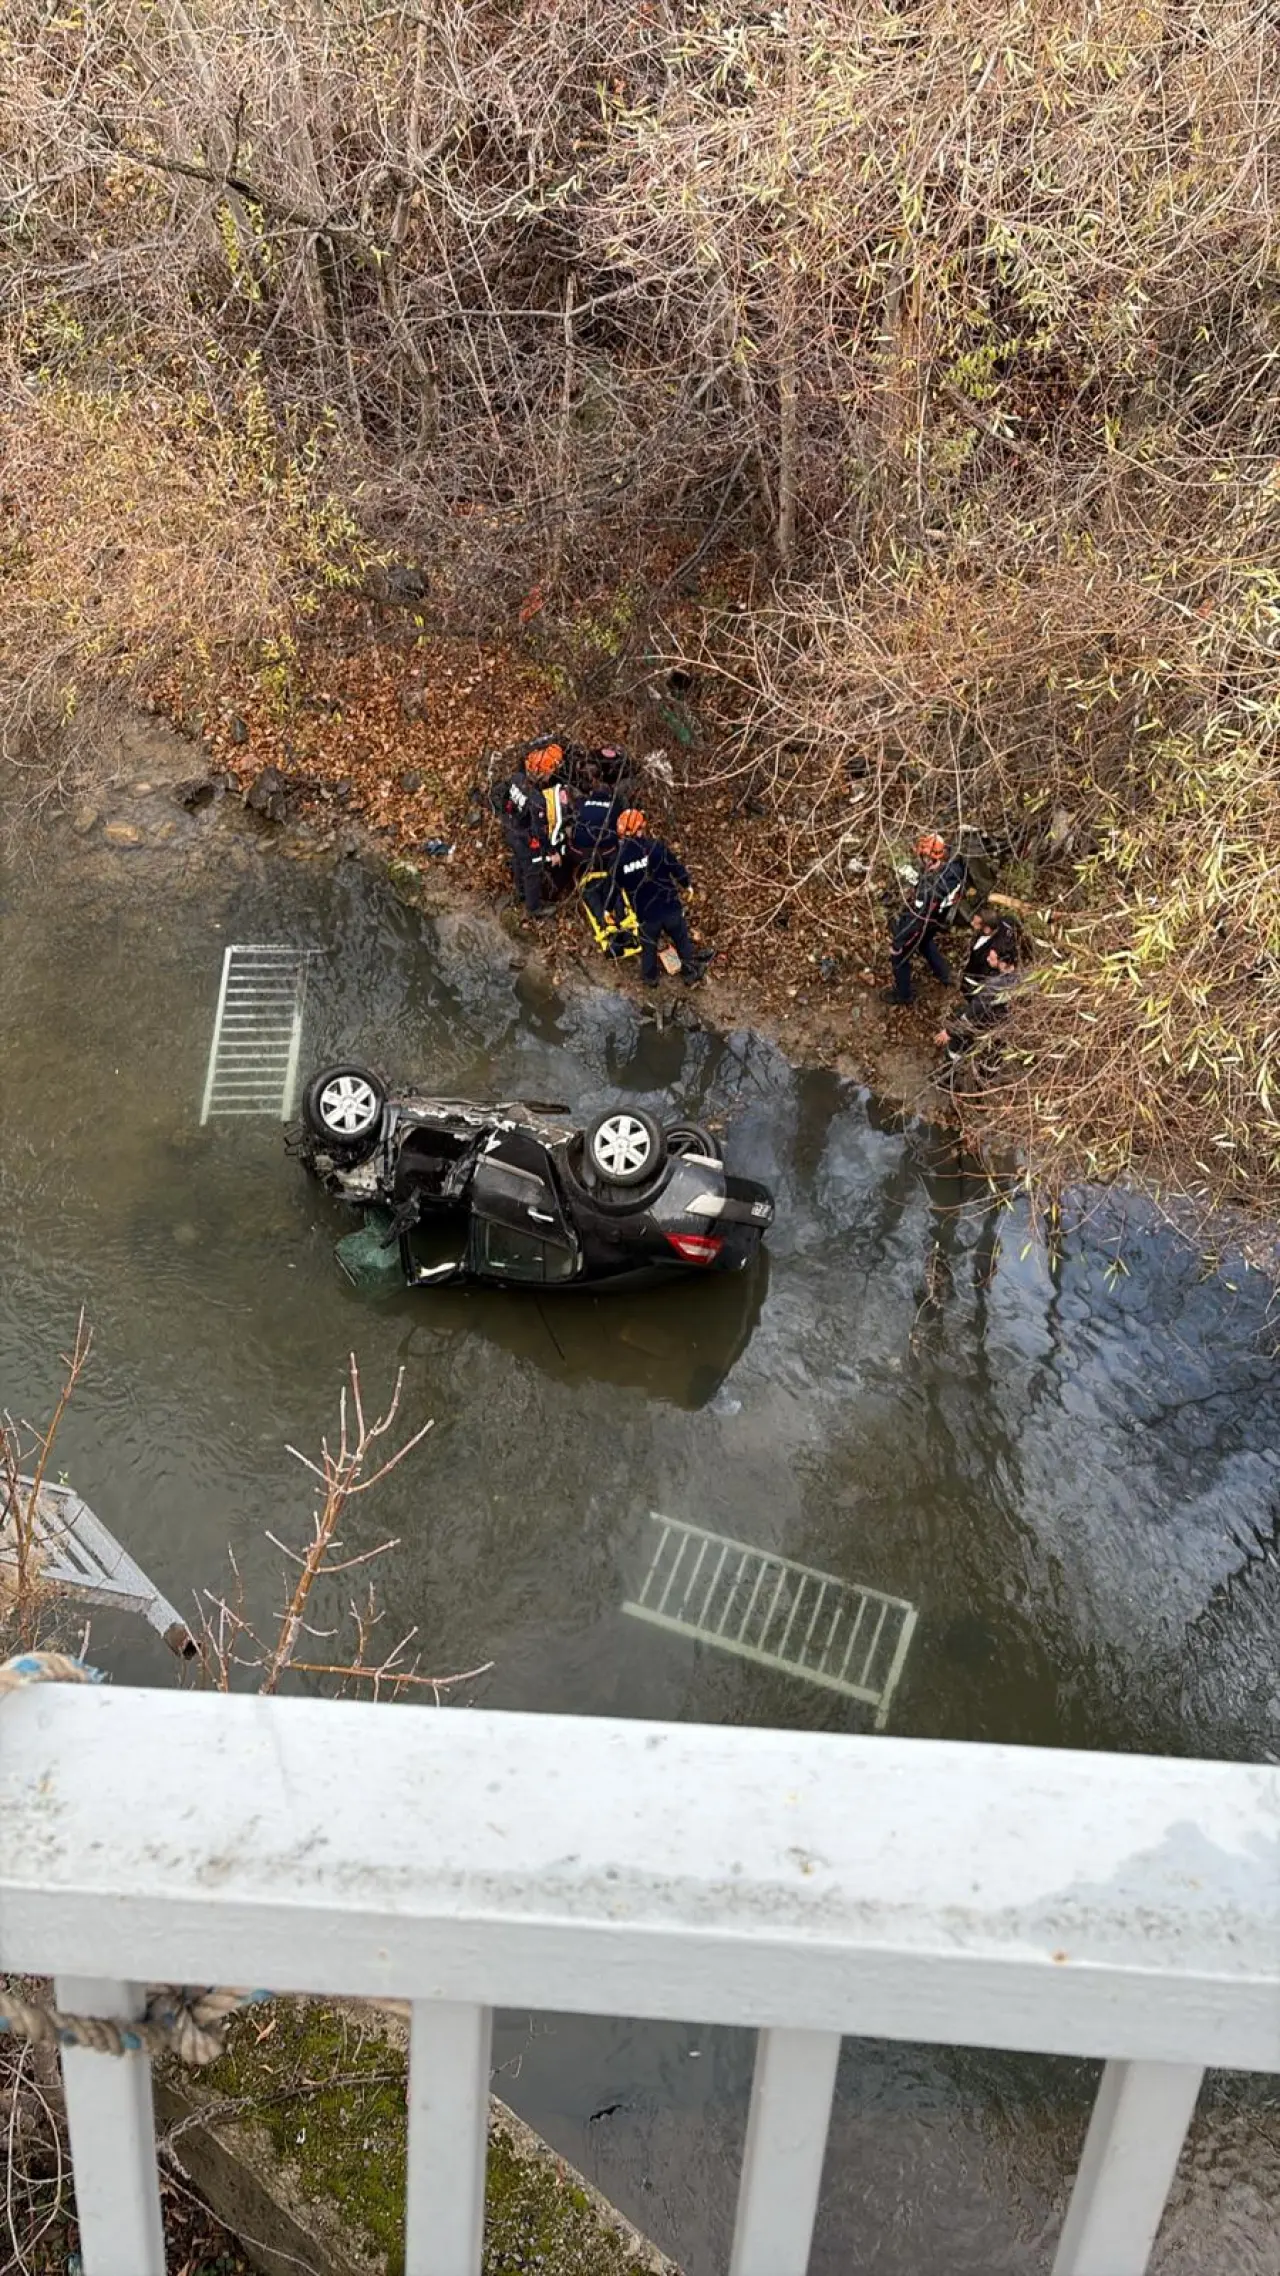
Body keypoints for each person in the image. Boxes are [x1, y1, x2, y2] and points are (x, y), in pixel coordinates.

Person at [608, 810, 713, 987]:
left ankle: (650, 979)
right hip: (669, 906)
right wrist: (686, 884)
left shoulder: (619, 860)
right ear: (640, 829)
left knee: (649, 947)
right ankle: (689, 974)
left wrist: (607, 909)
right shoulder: (656, 847)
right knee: (682, 940)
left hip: (646, 915)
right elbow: (675, 867)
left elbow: (615, 888)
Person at [884, 831, 970, 1004]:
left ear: (927, 857)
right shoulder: (954, 869)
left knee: (899, 959)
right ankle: (944, 974)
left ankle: (904, 995)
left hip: (925, 921)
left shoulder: (928, 892)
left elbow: (916, 919)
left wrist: (898, 943)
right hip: (938, 919)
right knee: (925, 943)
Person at [493, 740, 565, 916]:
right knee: (533, 870)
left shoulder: (517, 778)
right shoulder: (538, 801)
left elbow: (501, 796)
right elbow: (539, 831)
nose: (551, 775)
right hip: (525, 839)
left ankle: (520, 892)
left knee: (518, 862)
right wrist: (552, 852)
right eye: (550, 772)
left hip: (511, 828)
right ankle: (534, 908)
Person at [570, 757, 632, 954]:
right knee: (613, 883)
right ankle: (622, 921)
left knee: (591, 888)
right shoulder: (615, 807)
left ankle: (607, 926)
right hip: (606, 855)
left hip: (581, 856)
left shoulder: (583, 804)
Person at [935, 934, 1019, 1062]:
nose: (987, 959)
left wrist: (950, 1032)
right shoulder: (1020, 979)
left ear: (1003, 963)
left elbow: (971, 1014)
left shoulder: (992, 988)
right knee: (993, 1056)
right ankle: (985, 1076)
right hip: (1001, 1028)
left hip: (982, 1023)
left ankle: (947, 1076)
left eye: (992, 958)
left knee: (956, 1048)